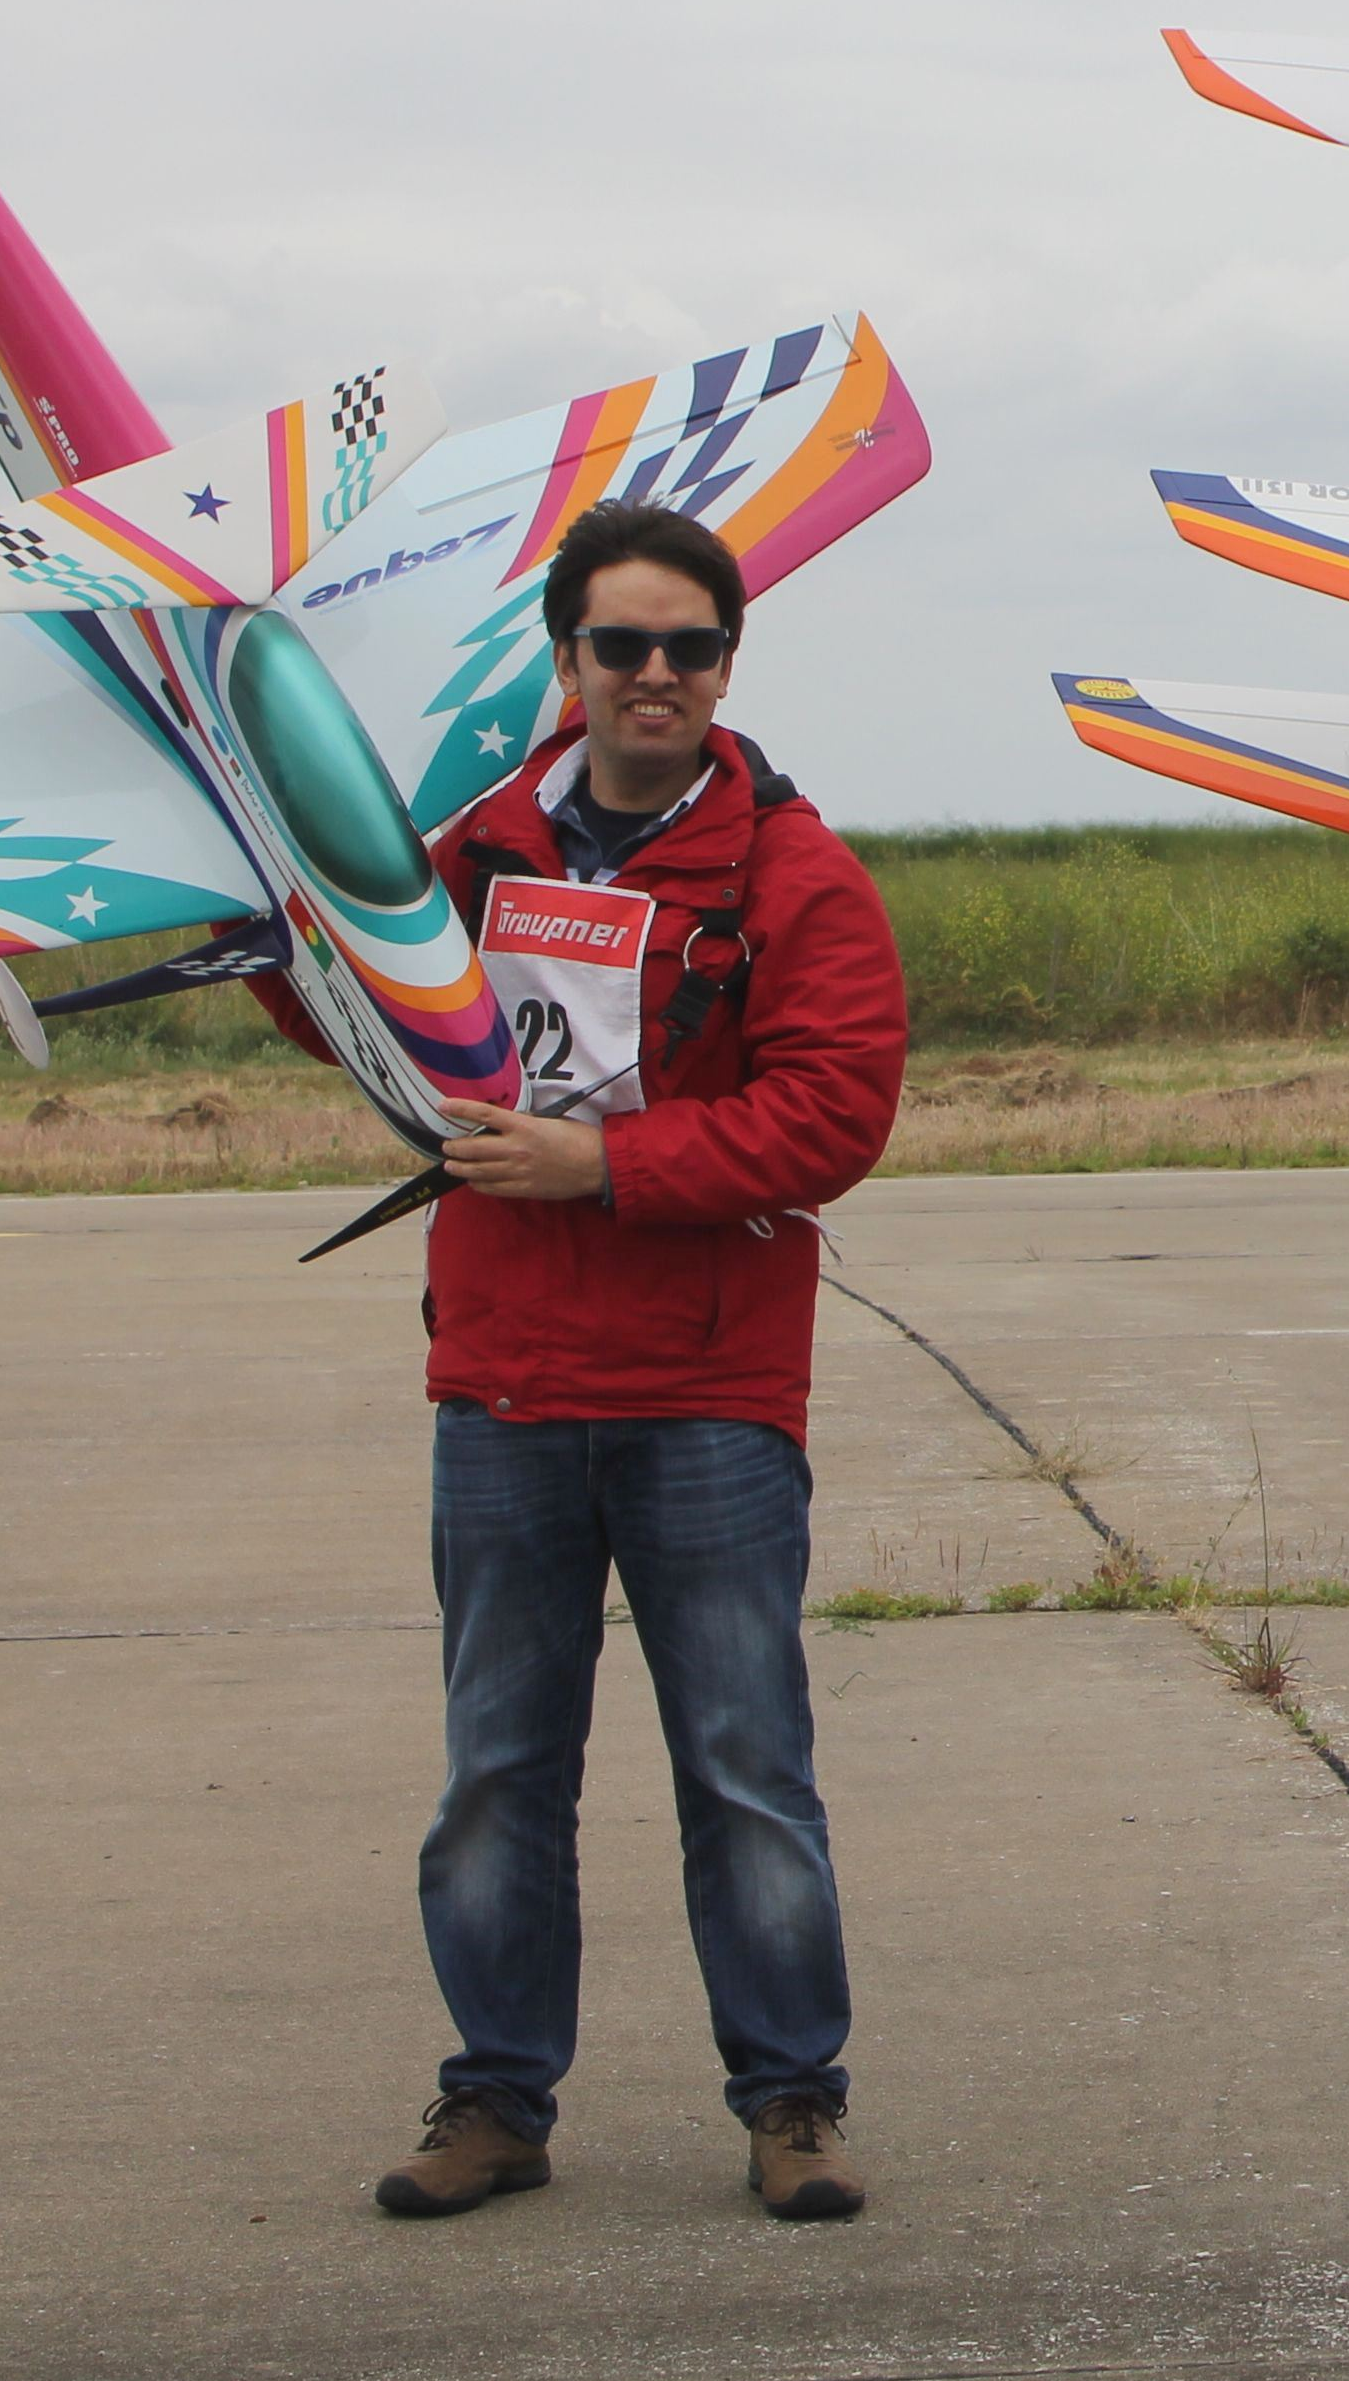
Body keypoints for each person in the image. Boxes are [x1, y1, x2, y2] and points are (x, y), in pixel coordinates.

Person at [279, 500, 911, 2225]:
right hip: (502, 1385)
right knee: (497, 1773)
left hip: (707, 1394)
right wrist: (278, 896)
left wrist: (605, 1166)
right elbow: (349, 1002)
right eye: (621, 645)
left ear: (725, 666)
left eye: (689, 649)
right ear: (566, 662)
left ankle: (793, 2104)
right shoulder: (459, 853)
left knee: (745, 1767)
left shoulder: (797, 873)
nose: (655, 675)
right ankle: (494, 2103)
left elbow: (834, 1112)